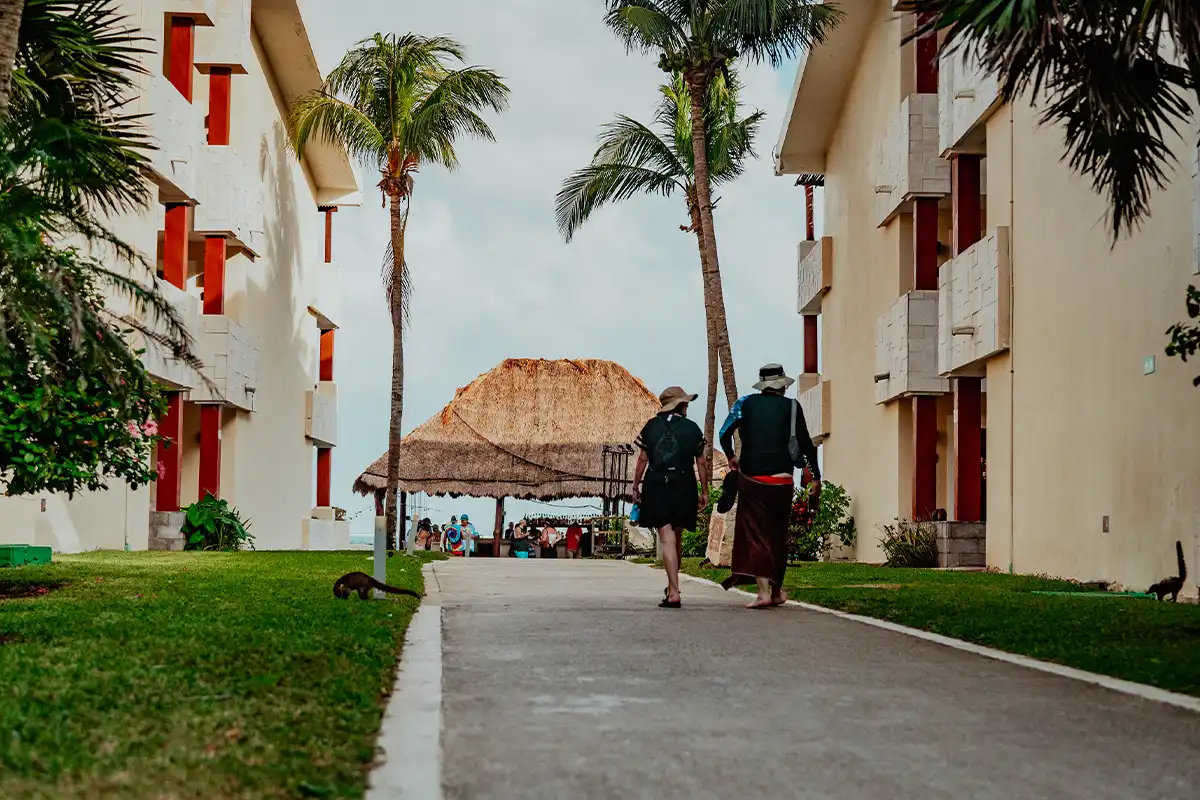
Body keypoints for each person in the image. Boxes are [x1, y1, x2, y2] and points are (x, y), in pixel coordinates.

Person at [719, 364, 821, 609]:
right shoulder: (793, 407)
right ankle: (776, 592)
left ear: (763, 385)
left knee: (756, 536)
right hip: (783, 481)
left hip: (753, 480)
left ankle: (763, 593)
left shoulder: (744, 403)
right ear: (783, 386)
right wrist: (816, 477)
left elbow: (724, 432)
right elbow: (806, 445)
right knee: (777, 536)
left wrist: (731, 455)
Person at [632, 386, 710, 609]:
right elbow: (701, 462)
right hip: (684, 484)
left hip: (657, 483)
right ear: (680, 405)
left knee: (666, 538)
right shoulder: (692, 429)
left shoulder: (650, 427)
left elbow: (642, 459)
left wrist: (636, 486)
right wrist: (704, 491)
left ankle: (673, 591)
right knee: (676, 537)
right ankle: (673, 587)